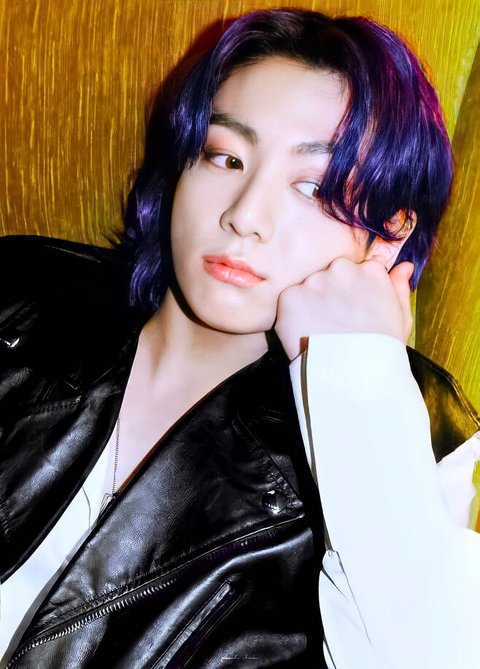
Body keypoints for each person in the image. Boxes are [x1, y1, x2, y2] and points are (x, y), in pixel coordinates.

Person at [1, 7, 479, 668]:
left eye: (314, 187)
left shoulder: (415, 427)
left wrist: (359, 380)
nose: (245, 215)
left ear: (389, 235)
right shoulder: (20, 295)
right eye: (225, 157)